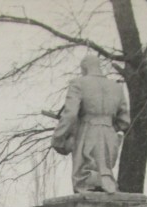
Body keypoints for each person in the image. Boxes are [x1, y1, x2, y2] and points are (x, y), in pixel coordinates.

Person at [51, 54, 130, 194]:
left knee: (85, 182)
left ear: (84, 68)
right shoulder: (117, 87)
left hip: (87, 133)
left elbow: (70, 114)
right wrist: (108, 127)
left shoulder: (78, 83)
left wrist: (58, 137)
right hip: (110, 137)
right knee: (105, 176)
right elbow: (124, 121)